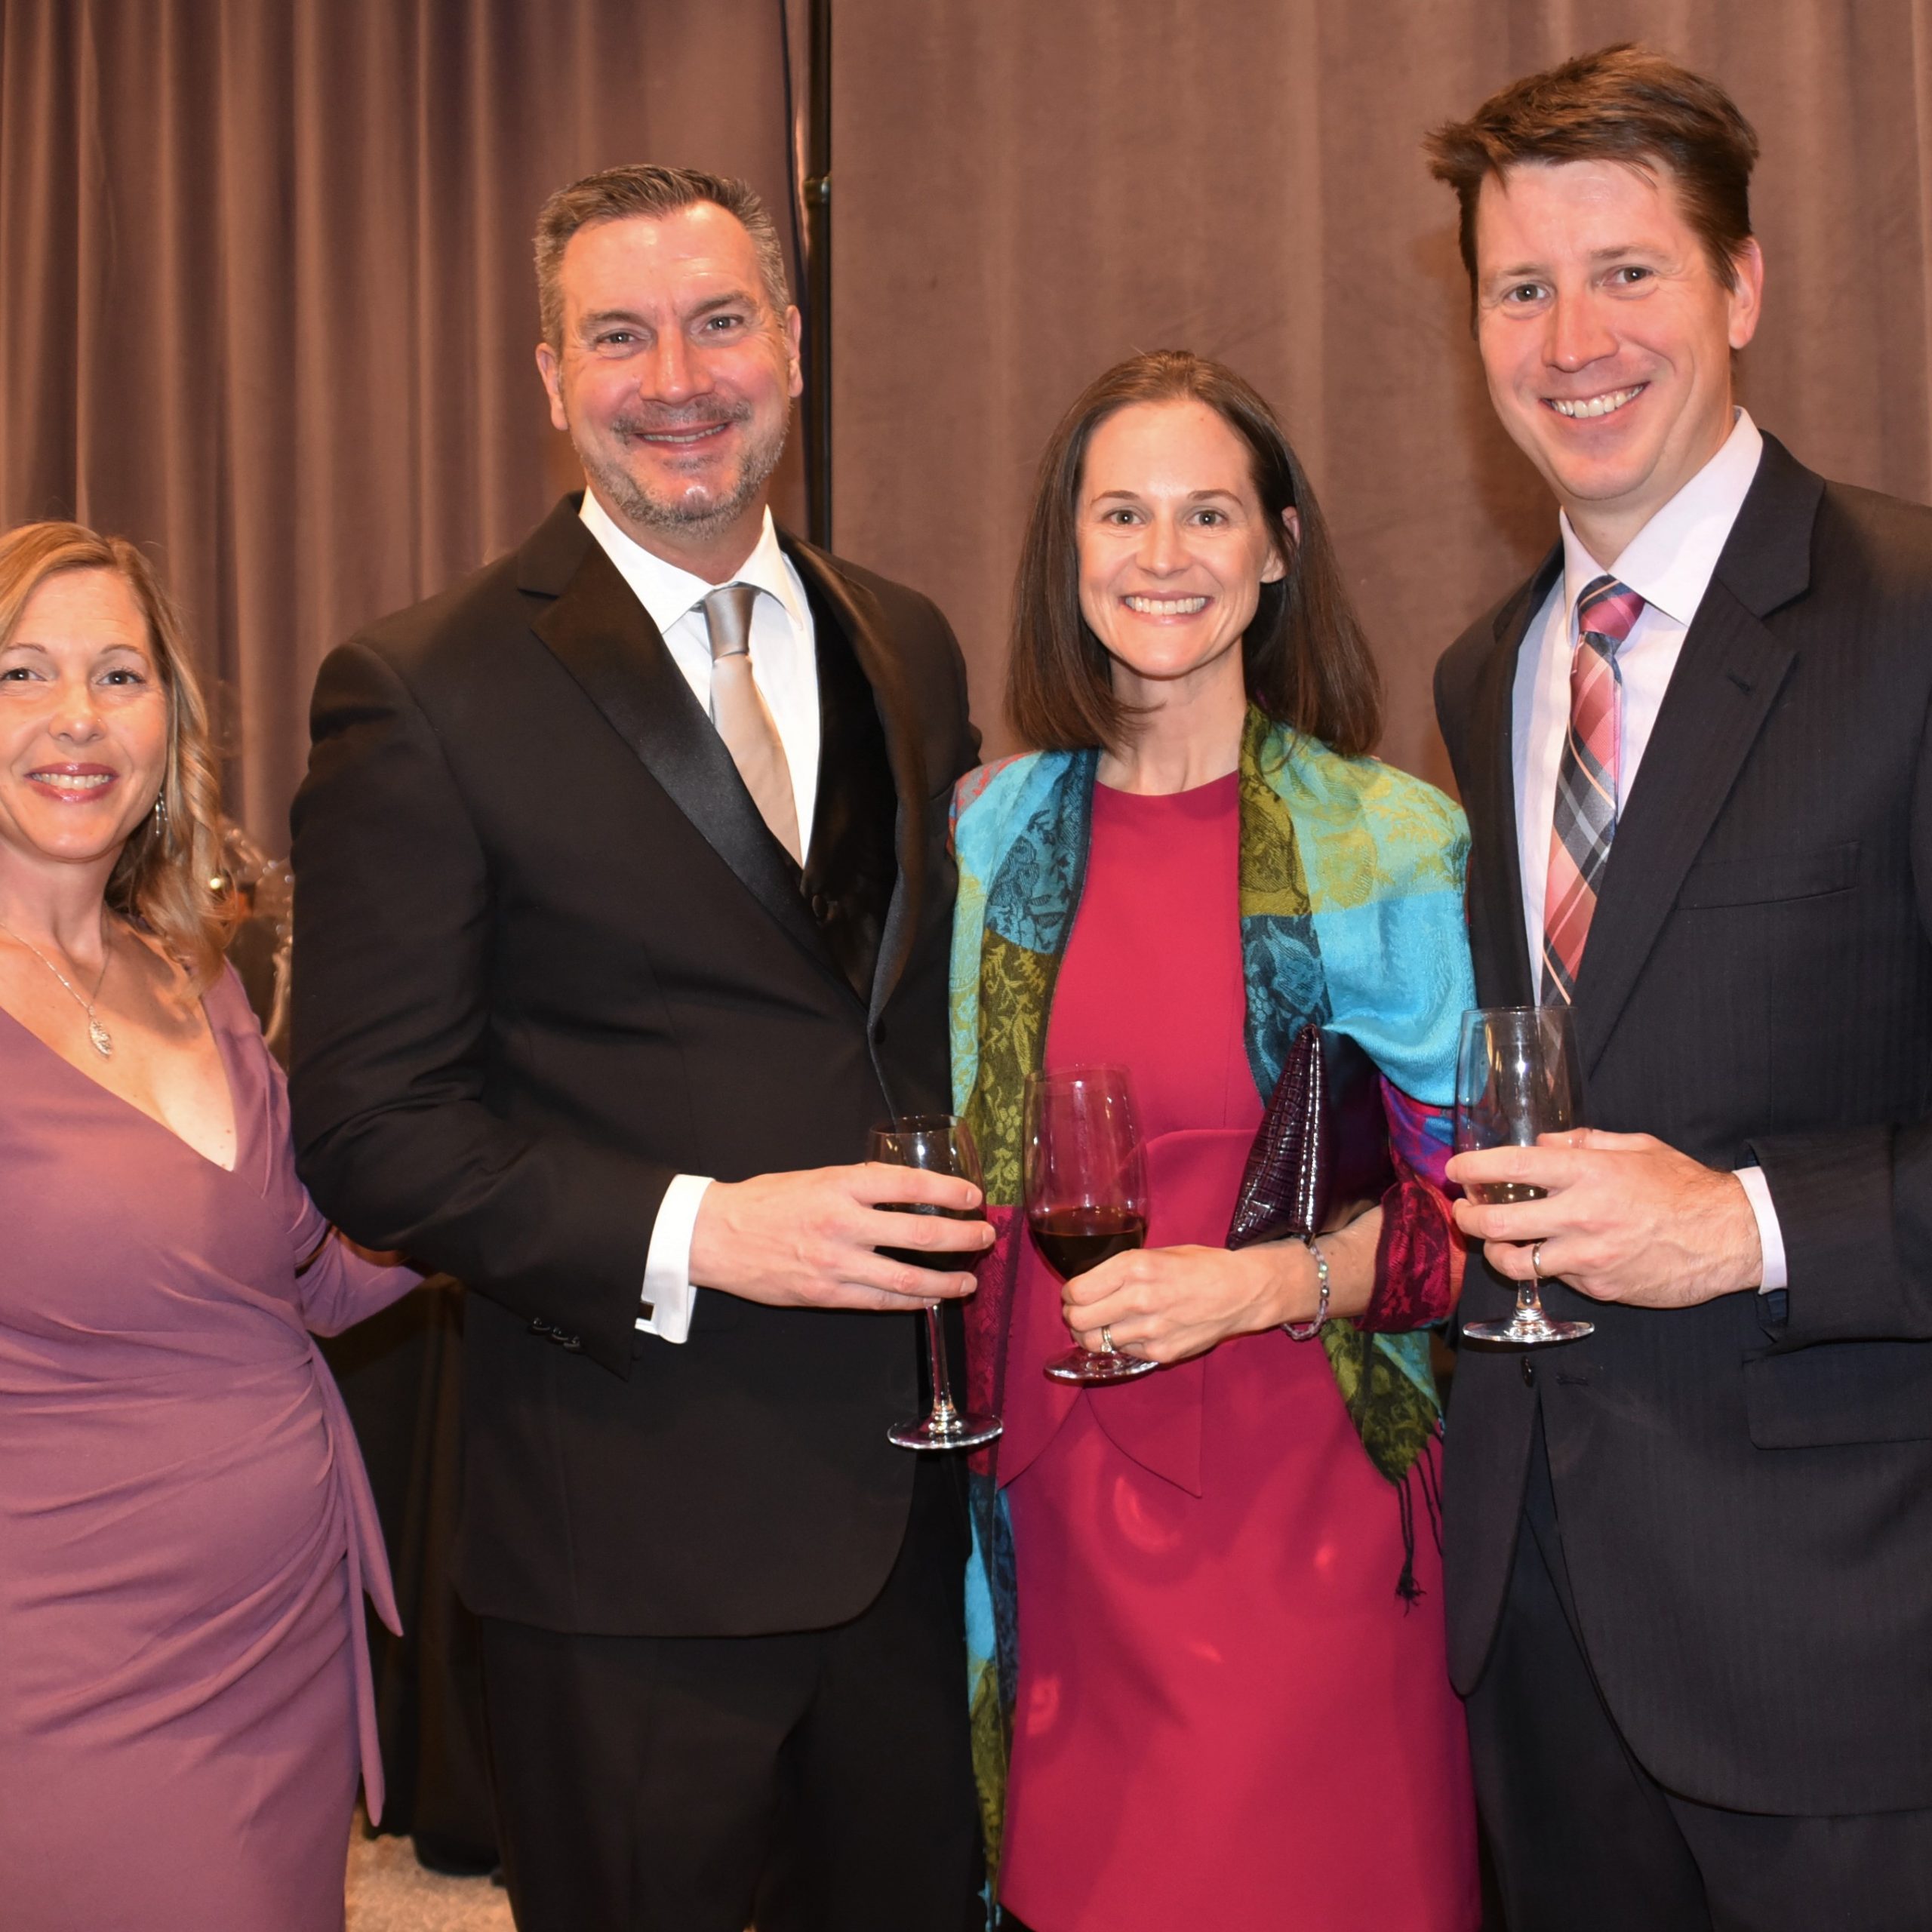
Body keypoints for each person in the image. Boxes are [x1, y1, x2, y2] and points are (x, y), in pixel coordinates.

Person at [288, 165, 988, 1932]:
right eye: (620, 333)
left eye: (719, 319)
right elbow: (371, 1127)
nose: (677, 373)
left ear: (795, 346)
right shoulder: (421, 686)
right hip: (626, 1551)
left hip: (915, 1524)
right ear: (549, 376)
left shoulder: (900, 635)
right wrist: (704, 1228)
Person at [1427, 45, 1932, 1932]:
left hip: (1836, 1633)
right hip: (1534, 1625)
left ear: (1737, 287)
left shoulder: (1907, 615)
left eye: (1626, 271)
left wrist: (1746, 1224)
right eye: (1518, 286)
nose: (1571, 336)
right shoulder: (1480, 671)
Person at [950, 350, 1481, 1932]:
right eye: (1120, 512)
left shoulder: (1383, 838)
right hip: (1048, 1516)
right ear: (1067, 544)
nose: (1161, 556)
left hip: (1299, 1504)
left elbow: (1478, 1221)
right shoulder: (994, 828)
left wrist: (1249, 1286)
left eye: (1206, 513)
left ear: (1278, 547)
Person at [0, 522, 416, 1931]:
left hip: (280, 1639)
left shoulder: (193, 977)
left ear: (168, 719)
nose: (76, 718)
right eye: (24, 673)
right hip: (60, 1658)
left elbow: (310, 1276)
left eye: (119, 675)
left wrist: (488, 1173)